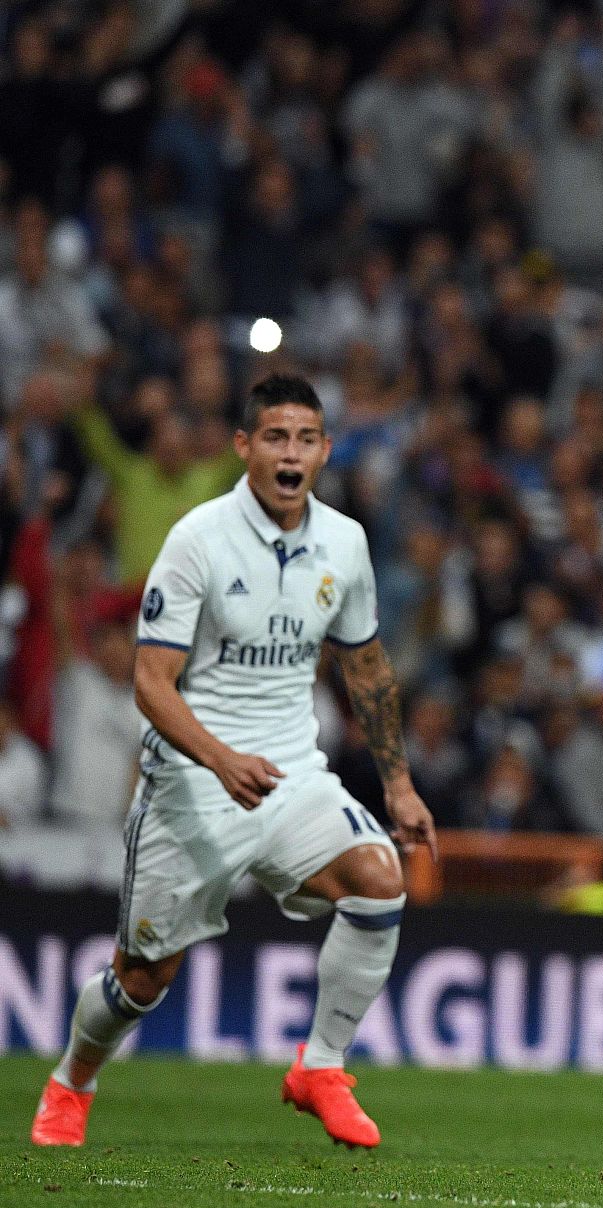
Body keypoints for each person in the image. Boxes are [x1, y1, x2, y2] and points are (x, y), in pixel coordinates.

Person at [30, 374, 438, 1150]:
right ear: (244, 447)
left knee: (380, 879)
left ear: (323, 451)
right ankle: (72, 1080)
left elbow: (367, 669)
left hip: (291, 776)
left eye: (307, 439)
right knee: (142, 980)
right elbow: (151, 684)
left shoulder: (345, 543)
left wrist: (399, 783)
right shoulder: (197, 540)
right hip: (192, 782)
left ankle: (319, 1068)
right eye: (276, 437)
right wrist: (218, 760)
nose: (292, 453)